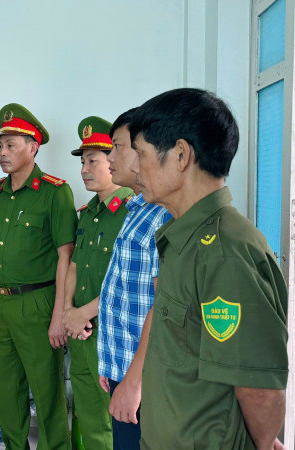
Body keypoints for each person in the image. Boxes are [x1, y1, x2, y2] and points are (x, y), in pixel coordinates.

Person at [130, 88, 288, 449]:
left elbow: (258, 388)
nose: (135, 167)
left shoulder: (224, 252)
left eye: (141, 153)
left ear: (180, 155)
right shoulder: (187, 238)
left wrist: (263, 443)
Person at [0, 103, 77, 449]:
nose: (2, 152)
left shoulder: (54, 192)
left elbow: (66, 256)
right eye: (0, 145)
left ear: (33, 147)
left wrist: (59, 314)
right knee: (6, 391)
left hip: (37, 304)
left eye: (10, 145)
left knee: (47, 393)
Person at [94, 108, 171, 450]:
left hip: (143, 377)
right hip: (122, 366)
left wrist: (133, 381)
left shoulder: (164, 215)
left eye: (118, 147)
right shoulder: (138, 209)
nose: (110, 157)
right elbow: (124, 292)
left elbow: (163, 305)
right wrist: (110, 364)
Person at [62, 116, 132, 450]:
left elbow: (129, 280)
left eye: (93, 161)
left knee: (116, 422)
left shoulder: (133, 210)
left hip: (113, 334)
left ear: (113, 160)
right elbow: (75, 266)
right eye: (82, 162)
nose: (84, 169)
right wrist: (68, 311)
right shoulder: (88, 213)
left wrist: (82, 313)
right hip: (82, 334)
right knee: (89, 418)